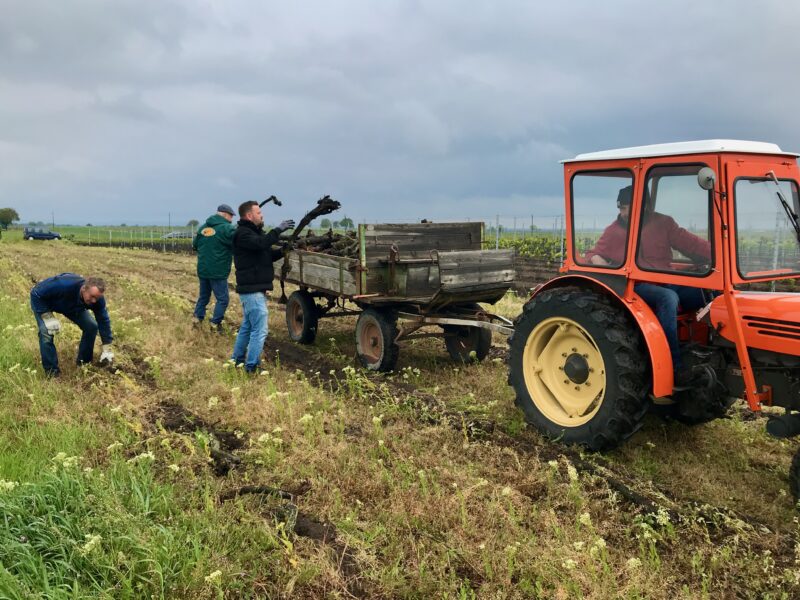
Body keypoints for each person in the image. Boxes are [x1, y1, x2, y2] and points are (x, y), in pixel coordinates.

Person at [585, 185, 711, 385]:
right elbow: (592, 253)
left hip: (667, 280)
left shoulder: (664, 223)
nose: (622, 213)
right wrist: (597, 260)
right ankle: (673, 368)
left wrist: (719, 253)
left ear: (643, 206)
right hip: (637, 286)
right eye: (620, 208)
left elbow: (690, 243)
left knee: (708, 293)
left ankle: (706, 356)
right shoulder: (614, 231)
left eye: (626, 208)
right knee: (667, 298)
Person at [231, 201, 295, 373]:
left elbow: (264, 254)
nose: (262, 215)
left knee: (247, 327)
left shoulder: (252, 234)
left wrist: (283, 251)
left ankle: (236, 360)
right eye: (259, 213)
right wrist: (278, 230)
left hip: (253, 290)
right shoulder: (243, 234)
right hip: (252, 291)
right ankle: (251, 367)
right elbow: (261, 244)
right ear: (249, 216)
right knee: (260, 331)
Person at [30, 273, 113, 377]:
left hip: (73, 307)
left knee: (91, 327)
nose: (94, 301)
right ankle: (52, 372)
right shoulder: (63, 284)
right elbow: (35, 293)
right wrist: (47, 316)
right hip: (46, 303)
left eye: (97, 298)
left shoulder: (97, 300)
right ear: (83, 289)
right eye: (92, 297)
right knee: (46, 332)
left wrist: (107, 347)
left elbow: (103, 320)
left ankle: (83, 364)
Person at [192, 203, 237, 333]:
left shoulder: (203, 228)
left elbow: (195, 246)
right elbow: (238, 242)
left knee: (204, 297)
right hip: (218, 271)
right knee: (223, 299)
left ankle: (197, 320)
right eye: (230, 216)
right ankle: (215, 324)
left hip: (203, 269)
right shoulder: (227, 228)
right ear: (224, 214)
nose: (231, 219)